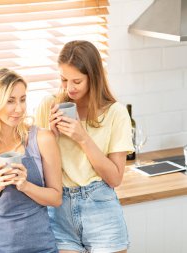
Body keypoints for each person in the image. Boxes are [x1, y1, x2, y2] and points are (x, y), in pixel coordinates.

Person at [35, 40, 134, 253]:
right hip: (59, 211)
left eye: (76, 81)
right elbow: (37, 171)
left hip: (101, 208)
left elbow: (115, 178)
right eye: (63, 79)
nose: (68, 88)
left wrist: (83, 138)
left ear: (93, 77)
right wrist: (49, 136)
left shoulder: (116, 113)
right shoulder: (48, 106)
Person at [0, 68, 62, 253]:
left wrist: (25, 185)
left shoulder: (42, 139)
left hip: (39, 246)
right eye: (10, 101)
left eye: (23, 99)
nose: (19, 109)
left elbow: (56, 198)